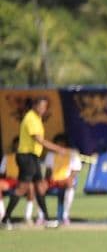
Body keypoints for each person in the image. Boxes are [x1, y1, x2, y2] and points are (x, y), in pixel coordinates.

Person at [4, 98, 71, 229]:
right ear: (34, 106)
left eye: (45, 107)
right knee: (22, 187)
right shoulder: (30, 118)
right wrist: (59, 149)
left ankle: (46, 219)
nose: (43, 109)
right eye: (41, 106)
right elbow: (39, 140)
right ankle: (5, 219)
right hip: (26, 156)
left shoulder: (37, 119)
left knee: (40, 187)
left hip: (33, 157)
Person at [44, 133, 83, 225]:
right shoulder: (50, 155)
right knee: (39, 186)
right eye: (58, 144)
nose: (60, 146)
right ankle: (42, 216)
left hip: (65, 181)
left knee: (70, 183)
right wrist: (47, 181)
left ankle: (65, 215)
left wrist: (67, 179)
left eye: (62, 144)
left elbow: (74, 171)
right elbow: (48, 172)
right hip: (54, 181)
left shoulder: (73, 154)